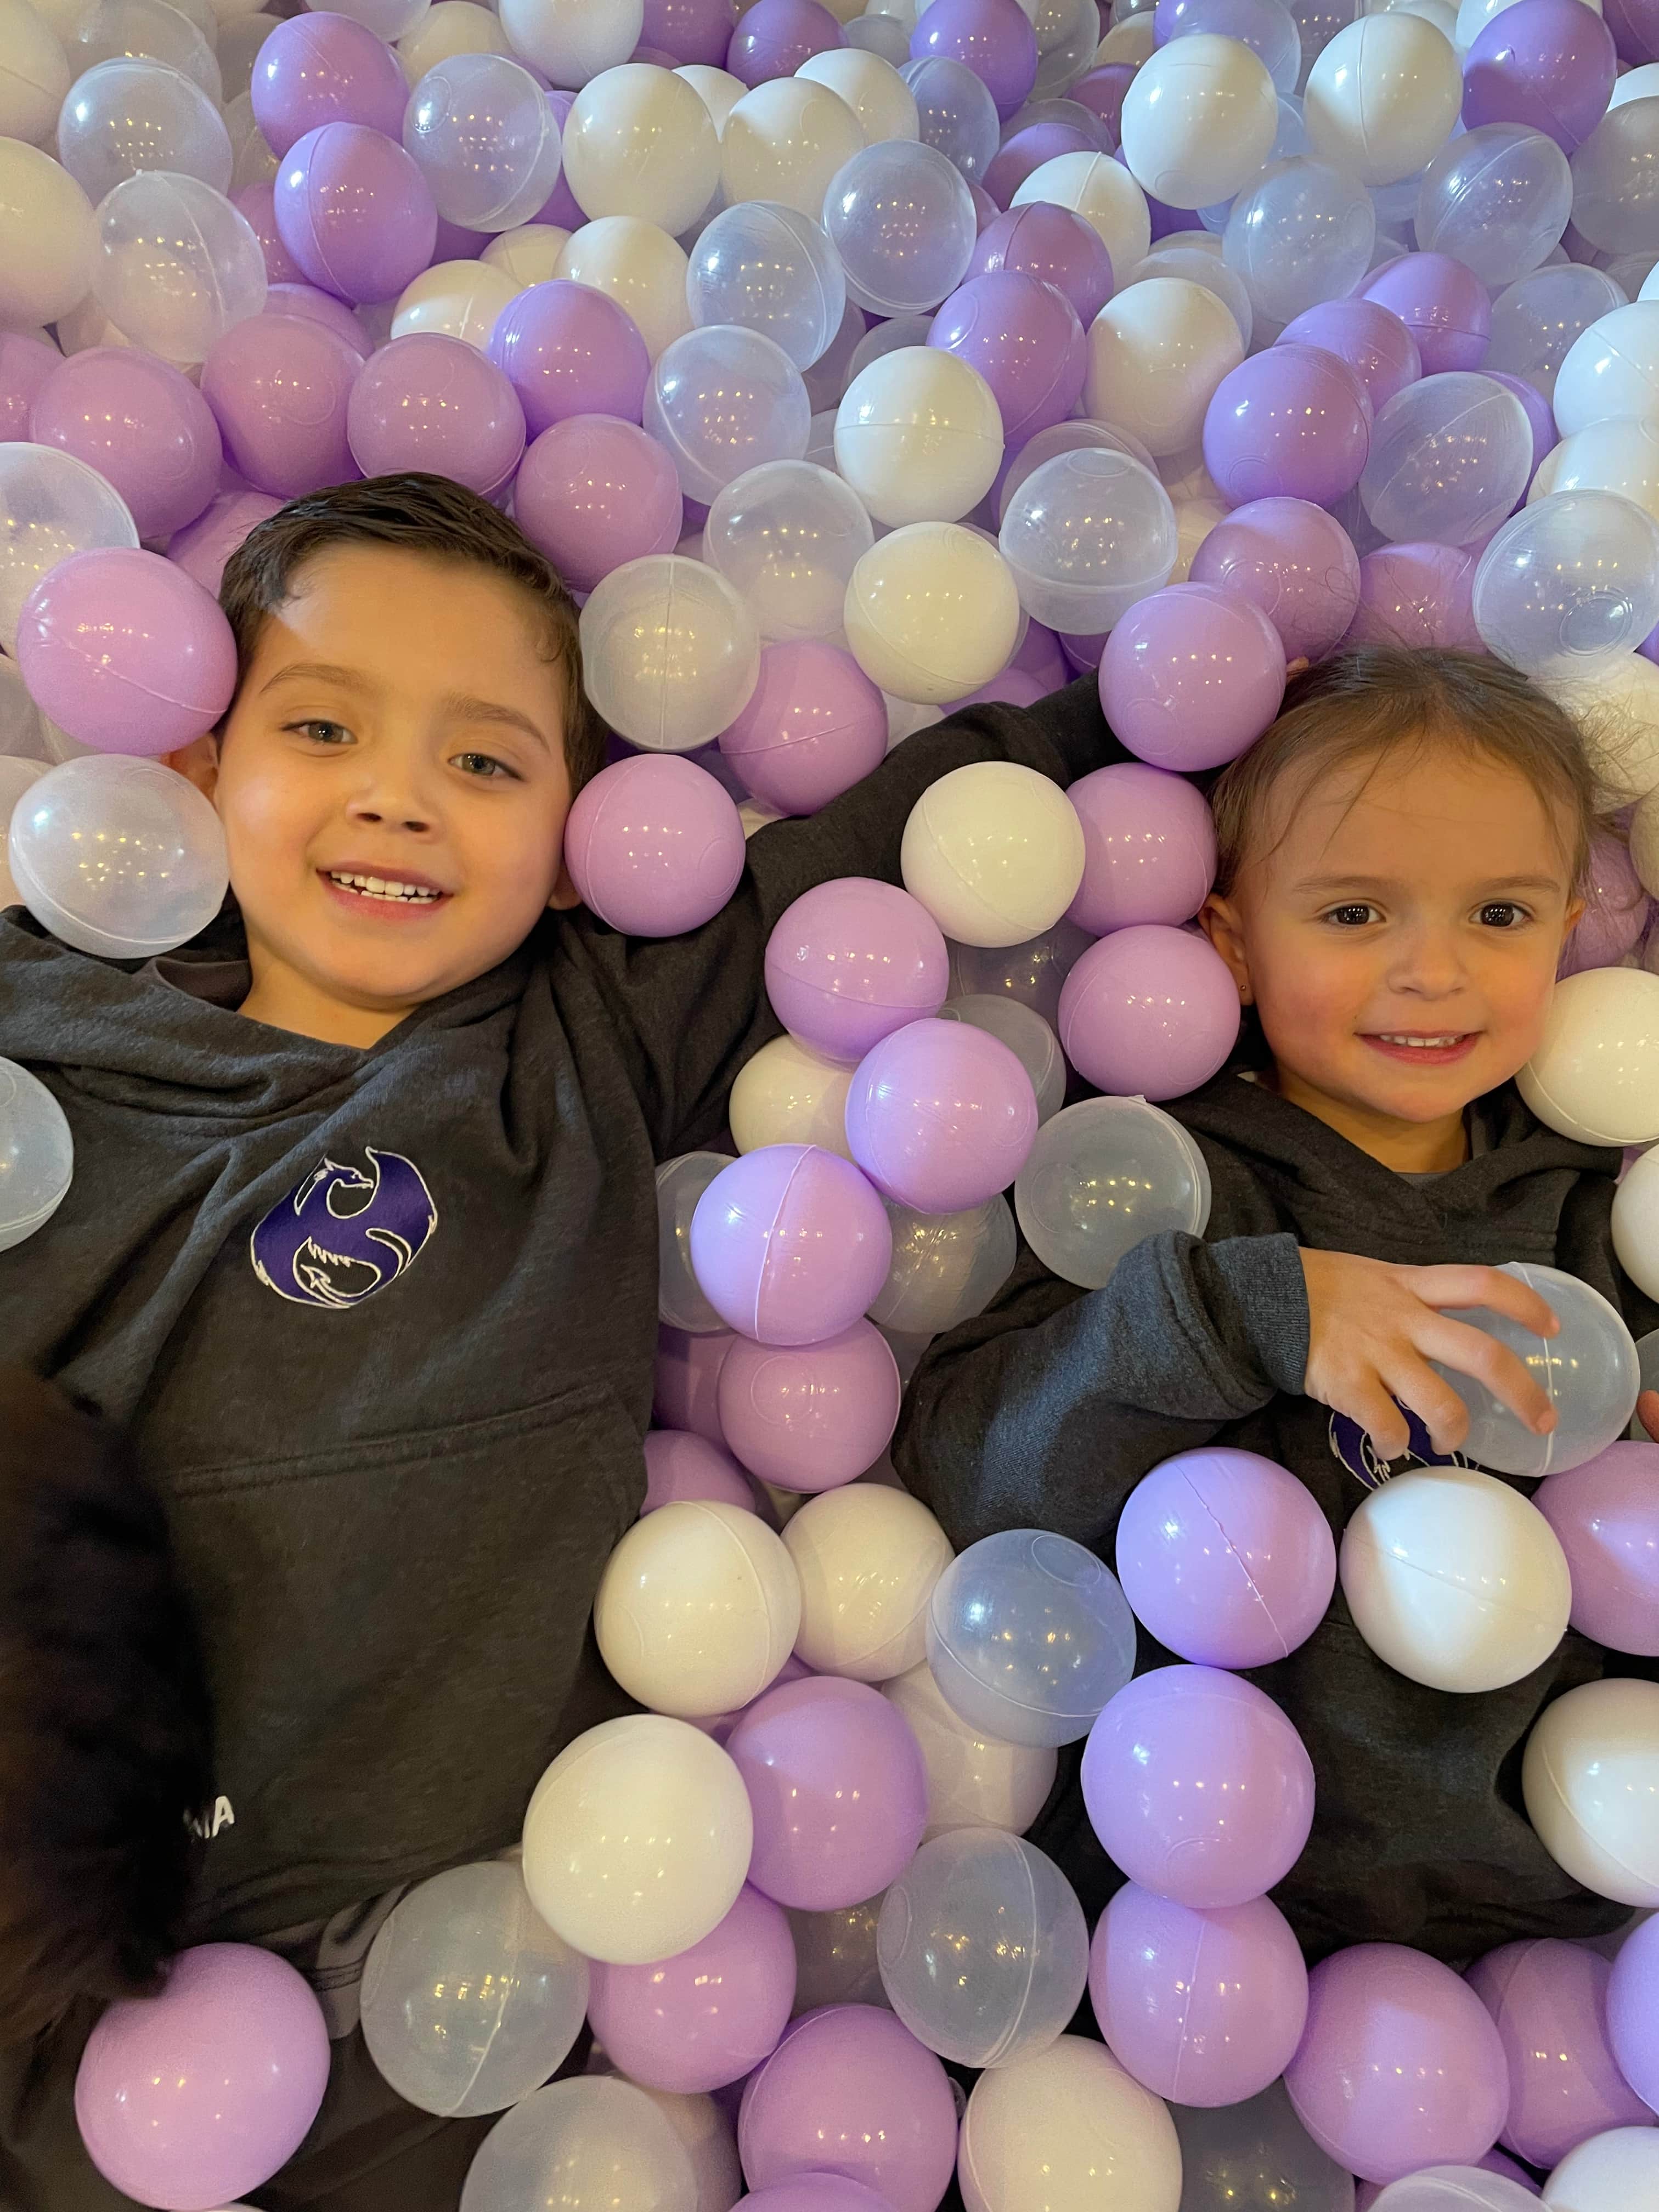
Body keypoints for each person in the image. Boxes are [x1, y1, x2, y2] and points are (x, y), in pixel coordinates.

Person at [0, 472, 1124, 2210]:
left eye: (487, 762)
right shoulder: (42, 1023)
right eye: (322, 724)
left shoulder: (577, 1036)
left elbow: (893, 837)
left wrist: (1130, 701)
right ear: (200, 768)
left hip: (429, 1989)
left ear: (584, 827)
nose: (400, 798)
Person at [895, 645, 1659, 1967]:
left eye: (1501, 915)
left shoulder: (1595, 1213)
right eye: (1357, 914)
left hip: (1559, 1908)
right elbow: (977, 1475)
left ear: (1574, 924)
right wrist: (1261, 1315)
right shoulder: (1170, 1188)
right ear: (1233, 945)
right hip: (1211, 1911)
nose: (1436, 973)